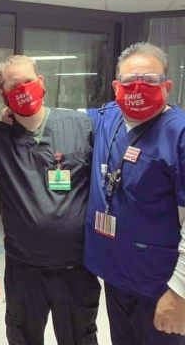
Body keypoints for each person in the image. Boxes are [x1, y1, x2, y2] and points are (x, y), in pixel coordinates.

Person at [0, 55, 100, 345]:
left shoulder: (80, 124)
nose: (23, 89)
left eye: (28, 82)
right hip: (24, 270)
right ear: (4, 95)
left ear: (41, 81)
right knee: (23, 338)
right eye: (14, 86)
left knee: (80, 339)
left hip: (76, 268)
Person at [84, 42, 185, 344]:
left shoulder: (178, 133)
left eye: (150, 80)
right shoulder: (108, 117)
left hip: (160, 284)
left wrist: (180, 291)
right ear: (116, 86)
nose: (138, 87)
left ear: (167, 86)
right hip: (116, 275)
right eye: (129, 81)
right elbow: (62, 120)